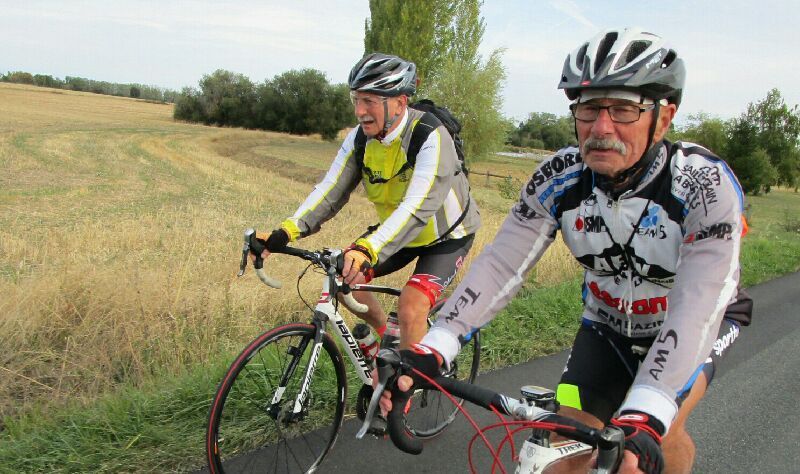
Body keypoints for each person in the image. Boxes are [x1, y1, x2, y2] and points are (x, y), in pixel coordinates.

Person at [381, 28, 752, 473]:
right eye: (589, 108)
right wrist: (435, 346)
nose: (601, 128)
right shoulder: (559, 178)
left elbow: (698, 302)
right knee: (564, 445)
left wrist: (648, 408)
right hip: (606, 327)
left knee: (651, 440)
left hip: (698, 323)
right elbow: (501, 265)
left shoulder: (702, 185)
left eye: (623, 109)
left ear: (664, 117)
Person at [255, 52, 480, 349]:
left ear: (400, 102)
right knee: (343, 279)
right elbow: (331, 189)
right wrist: (285, 232)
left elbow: (417, 208)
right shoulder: (360, 138)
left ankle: (409, 377)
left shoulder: (430, 135)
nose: (360, 111)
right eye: (356, 100)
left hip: (446, 236)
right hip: (397, 235)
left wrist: (367, 249)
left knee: (411, 308)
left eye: (369, 101)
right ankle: (388, 345)